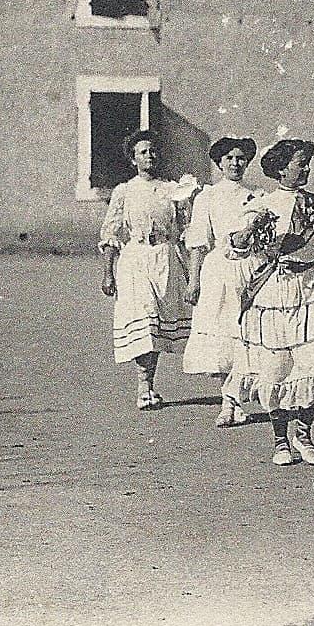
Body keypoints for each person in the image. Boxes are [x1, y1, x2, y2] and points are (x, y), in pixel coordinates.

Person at [225, 139, 314, 467]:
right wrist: (247, 234)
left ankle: (303, 434)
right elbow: (237, 247)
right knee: (275, 368)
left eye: (307, 163)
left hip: (311, 289)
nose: (306, 169)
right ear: (281, 167)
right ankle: (280, 440)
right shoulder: (262, 204)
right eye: (300, 163)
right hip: (273, 290)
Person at [99, 130, 191, 409]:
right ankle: (144, 386)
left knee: (158, 325)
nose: (149, 156)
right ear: (133, 159)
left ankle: (150, 384)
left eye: (153, 151)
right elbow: (111, 233)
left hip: (165, 258)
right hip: (135, 260)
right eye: (143, 152)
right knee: (145, 319)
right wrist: (108, 272)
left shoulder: (173, 190)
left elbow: (187, 229)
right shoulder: (124, 191)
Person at [182, 135, 263, 426]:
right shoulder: (207, 196)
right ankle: (228, 401)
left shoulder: (257, 195)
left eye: (240, 158)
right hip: (218, 270)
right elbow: (198, 241)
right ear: (219, 162)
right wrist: (194, 280)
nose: (235, 163)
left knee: (246, 334)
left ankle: (236, 400)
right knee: (223, 336)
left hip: (250, 268)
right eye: (229, 158)